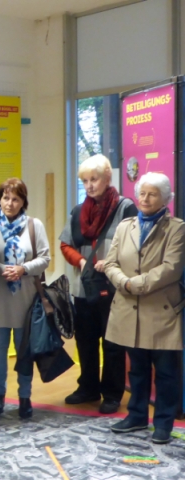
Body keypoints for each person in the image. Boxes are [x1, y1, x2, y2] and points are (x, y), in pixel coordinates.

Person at [105, 173, 185, 444]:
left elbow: (171, 269)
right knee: (137, 370)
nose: (145, 199)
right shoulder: (124, 226)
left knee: (165, 373)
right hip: (129, 309)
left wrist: (134, 284)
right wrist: (122, 282)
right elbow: (110, 263)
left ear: (165, 199)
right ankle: (137, 415)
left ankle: (163, 423)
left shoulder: (177, 229)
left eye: (152, 194)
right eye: (142, 193)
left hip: (161, 312)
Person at [59, 154, 137, 414]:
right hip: (84, 287)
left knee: (113, 343)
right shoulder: (77, 211)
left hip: (114, 288)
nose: (89, 185)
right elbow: (65, 245)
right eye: (85, 181)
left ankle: (112, 394)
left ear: (107, 178)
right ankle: (88, 387)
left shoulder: (126, 208)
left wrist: (111, 262)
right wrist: (82, 262)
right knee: (85, 340)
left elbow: (136, 246)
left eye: (94, 179)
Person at [0, 178, 50, 419]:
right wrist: (3, 269)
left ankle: (24, 396)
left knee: (24, 350)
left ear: (23, 202)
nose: (9, 203)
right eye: (5, 198)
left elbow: (45, 258)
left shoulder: (34, 225)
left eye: (15, 199)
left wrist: (22, 269)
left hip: (26, 299)